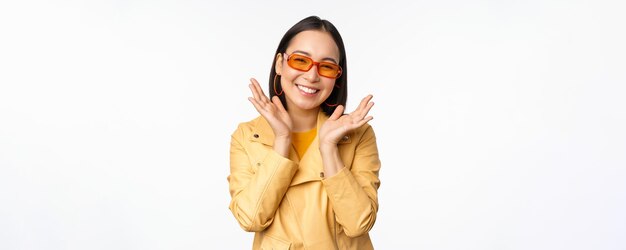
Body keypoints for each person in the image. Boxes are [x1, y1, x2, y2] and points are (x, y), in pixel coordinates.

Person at [228, 16, 381, 250]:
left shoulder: (358, 135)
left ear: (337, 78)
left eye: (327, 66)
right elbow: (250, 219)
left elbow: (358, 224)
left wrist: (329, 148)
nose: (312, 76)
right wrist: (282, 140)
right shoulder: (248, 136)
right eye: (301, 60)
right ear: (279, 63)